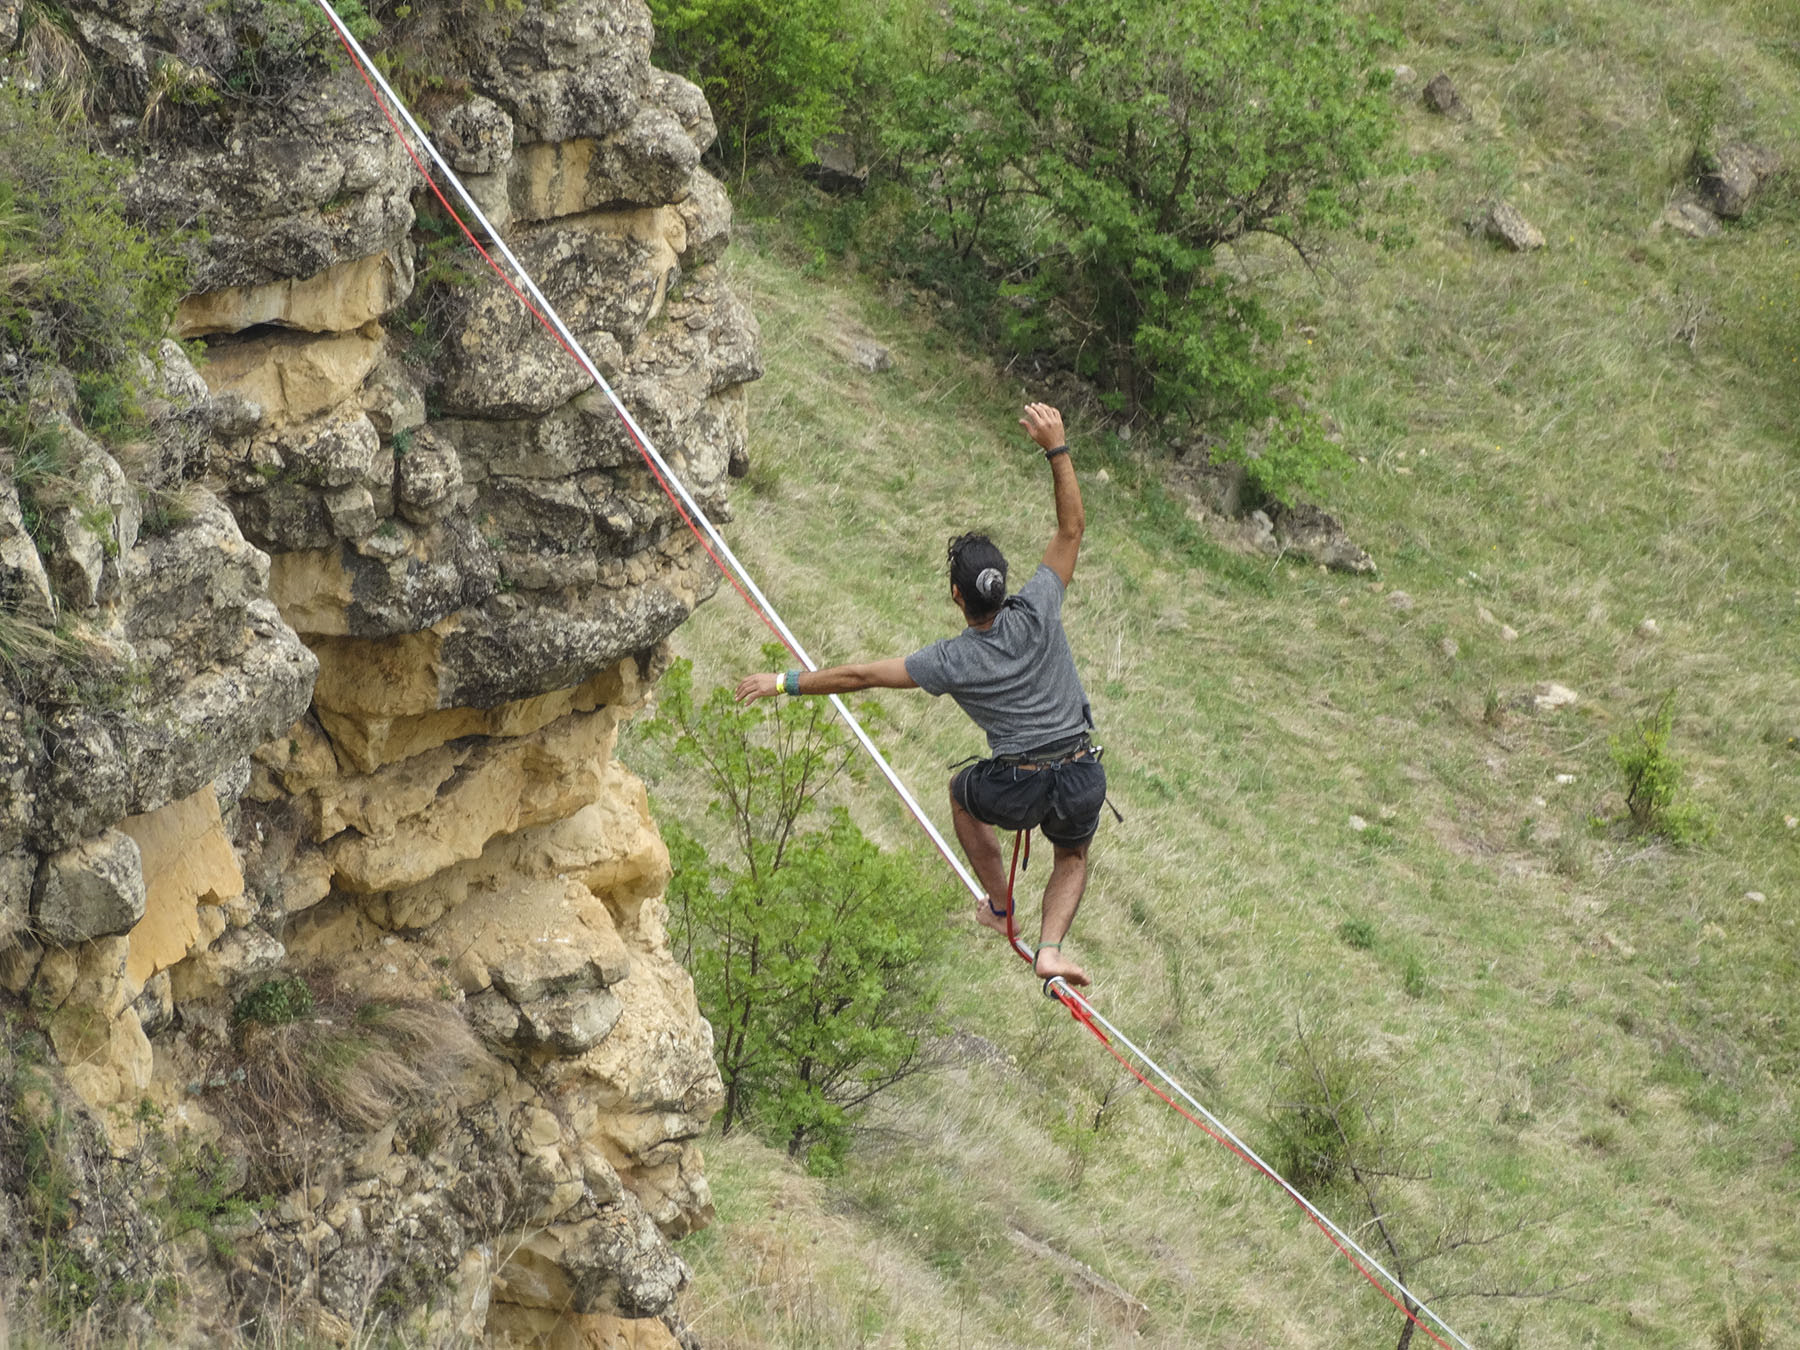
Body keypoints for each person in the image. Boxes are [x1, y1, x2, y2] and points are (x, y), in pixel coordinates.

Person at [735, 402, 1105, 987]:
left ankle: (1002, 907)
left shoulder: (951, 661)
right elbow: (1071, 529)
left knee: (962, 792)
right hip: (1083, 774)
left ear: (957, 596)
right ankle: (1052, 948)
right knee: (1072, 854)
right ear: (1004, 583)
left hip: (1019, 787)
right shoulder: (1039, 607)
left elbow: (859, 677)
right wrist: (1056, 448)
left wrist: (782, 682)